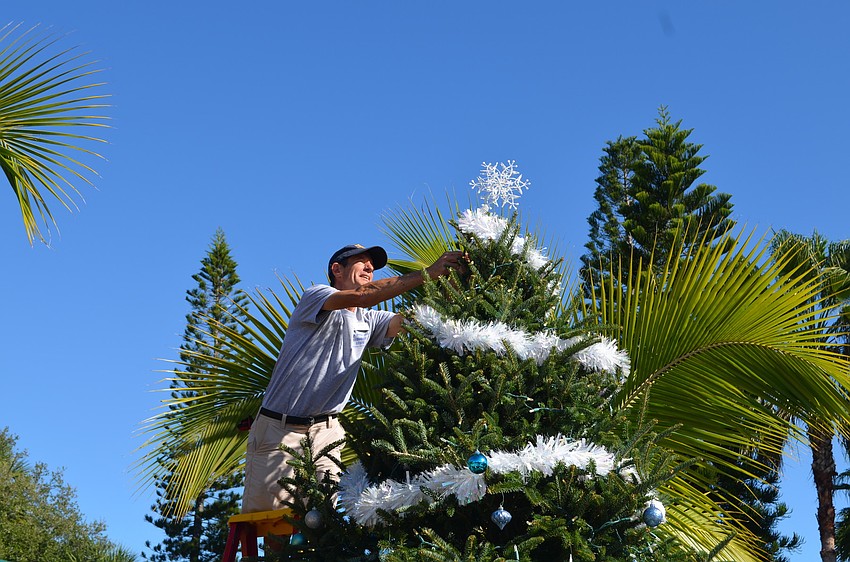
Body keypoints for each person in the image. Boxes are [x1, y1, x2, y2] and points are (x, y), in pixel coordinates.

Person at [242, 243, 465, 513]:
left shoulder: (368, 321)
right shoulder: (317, 297)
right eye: (361, 261)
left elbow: (413, 322)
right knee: (272, 524)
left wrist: (455, 284)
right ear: (337, 269)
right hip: (279, 430)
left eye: (372, 264)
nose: (370, 267)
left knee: (320, 523)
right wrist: (428, 272)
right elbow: (362, 296)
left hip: (326, 433)